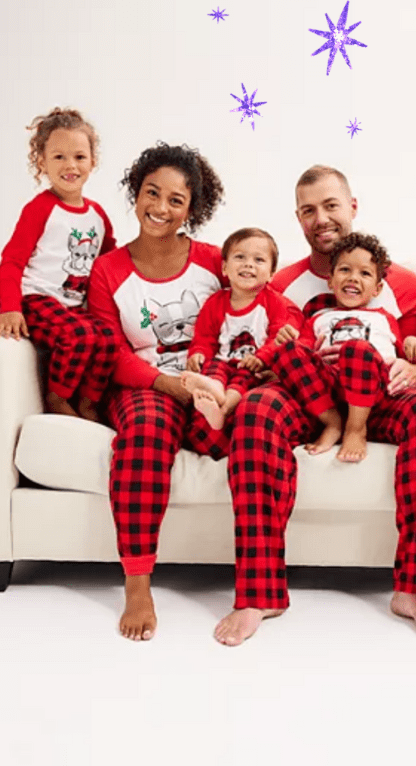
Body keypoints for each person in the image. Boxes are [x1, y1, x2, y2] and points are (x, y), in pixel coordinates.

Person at [213, 165, 416, 648]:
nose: (321, 218)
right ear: (298, 219)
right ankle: (259, 592)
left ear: (352, 207)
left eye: (331, 205)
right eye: (309, 210)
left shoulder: (404, 284)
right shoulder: (281, 284)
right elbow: (268, 349)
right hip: (309, 395)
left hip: (385, 394)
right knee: (256, 412)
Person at [87, 142, 231, 641]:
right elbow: (113, 353)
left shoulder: (215, 261)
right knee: (145, 432)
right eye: (152, 193)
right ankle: (137, 581)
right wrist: (169, 384)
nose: (161, 208)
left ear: (193, 209)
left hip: (212, 380)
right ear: (136, 192)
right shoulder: (107, 270)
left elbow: (254, 310)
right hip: (146, 384)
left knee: (227, 429)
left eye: (176, 200)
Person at [0, 108, 117, 421]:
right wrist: (9, 307)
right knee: (78, 335)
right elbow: (11, 261)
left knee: (106, 336)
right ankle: (56, 397)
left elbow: (109, 260)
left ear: (93, 161)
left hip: (74, 304)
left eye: (79, 157)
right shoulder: (40, 209)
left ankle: (89, 402)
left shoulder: (98, 216)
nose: (70, 166)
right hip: (37, 299)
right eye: (59, 157)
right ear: (42, 163)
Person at [271, 232, 416, 462]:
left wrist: (413, 343)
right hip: (329, 388)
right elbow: (301, 352)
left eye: (364, 273)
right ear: (330, 281)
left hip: (374, 385)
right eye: (345, 270)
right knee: (285, 351)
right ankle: (332, 421)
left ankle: (355, 428)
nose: (353, 278)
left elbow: (403, 352)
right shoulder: (317, 317)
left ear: (377, 289)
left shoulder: (384, 317)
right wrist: (291, 342)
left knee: (357, 350)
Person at [180, 227, 302, 430]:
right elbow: (204, 336)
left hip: (253, 366)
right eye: (240, 257)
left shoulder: (274, 303)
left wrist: (261, 358)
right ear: (225, 268)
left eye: (259, 260)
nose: (248, 264)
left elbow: (277, 338)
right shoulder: (215, 302)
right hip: (223, 363)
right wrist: (198, 353)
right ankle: (216, 391)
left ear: (272, 274)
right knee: (212, 366)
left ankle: (224, 408)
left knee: (245, 377)